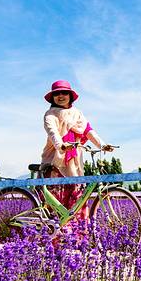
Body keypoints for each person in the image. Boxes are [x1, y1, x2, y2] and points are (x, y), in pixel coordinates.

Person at [41, 80, 113, 212]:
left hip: (75, 160)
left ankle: (77, 225)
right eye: (57, 94)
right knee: (56, 199)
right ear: (52, 97)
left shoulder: (77, 113)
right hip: (56, 159)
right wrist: (61, 145)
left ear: (70, 96)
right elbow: (52, 132)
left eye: (64, 93)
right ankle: (55, 225)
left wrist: (102, 145)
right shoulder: (50, 114)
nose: (61, 96)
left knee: (78, 194)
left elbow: (88, 130)